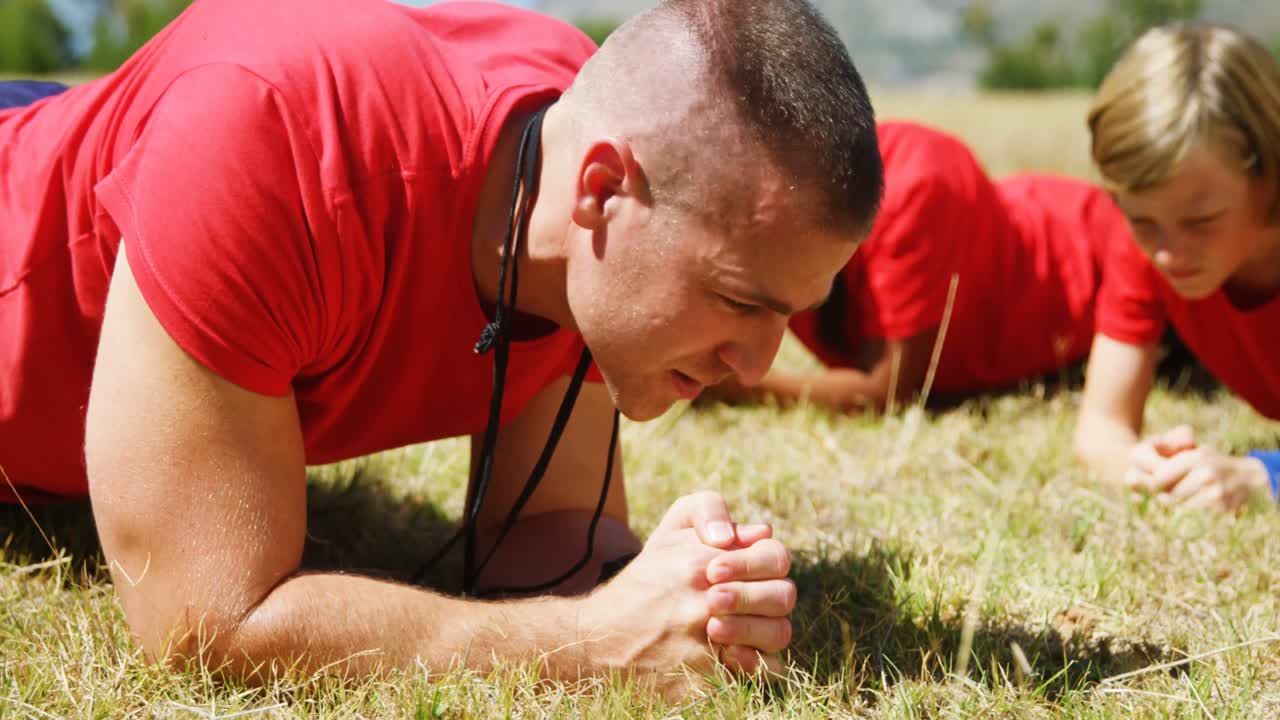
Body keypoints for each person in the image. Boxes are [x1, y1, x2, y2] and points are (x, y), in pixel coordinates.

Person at [0, 0, 883, 695]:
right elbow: (203, 626)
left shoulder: (576, 174)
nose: (761, 368)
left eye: (790, 314)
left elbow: (539, 537)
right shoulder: (273, 144)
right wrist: (592, 644)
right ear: (603, 190)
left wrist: (683, 591)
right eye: (735, 300)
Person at [698, 120, 1126, 413]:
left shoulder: (911, 191)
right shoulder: (761, 209)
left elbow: (886, 391)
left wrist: (738, 388)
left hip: (1097, 265)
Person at [1076, 23, 1280, 513]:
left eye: (1202, 219)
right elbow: (1100, 428)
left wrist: (1262, 475)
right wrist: (1140, 466)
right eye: (1141, 218)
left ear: (1270, 175)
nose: (1167, 252)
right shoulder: (1144, 243)